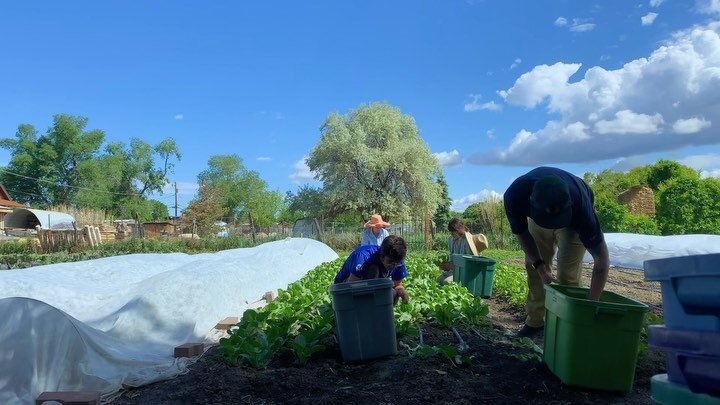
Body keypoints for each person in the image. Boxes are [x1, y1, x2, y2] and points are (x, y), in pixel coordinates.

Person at [504, 167, 610, 338]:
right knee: (533, 268)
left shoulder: (582, 210)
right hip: (538, 213)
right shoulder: (515, 195)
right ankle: (535, 322)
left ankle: (567, 327)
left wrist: (592, 306)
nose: (553, 225)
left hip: (571, 221)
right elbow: (523, 235)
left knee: (567, 276)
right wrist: (540, 267)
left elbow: (602, 260)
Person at [334, 235, 409, 305]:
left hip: (369, 286)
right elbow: (351, 285)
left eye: (397, 263)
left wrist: (401, 292)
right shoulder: (363, 256)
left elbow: (397, 284)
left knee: (393, 294)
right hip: (344, 285)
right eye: (390, 262)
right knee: (373, 269)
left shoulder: (397, 261)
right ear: (382, 255)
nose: (394, 266)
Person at [437, 217, 489, 284]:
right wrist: (447, 265)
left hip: (466, 273)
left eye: (453, 232)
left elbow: (470, 266)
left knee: (446, 282)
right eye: (451, 232)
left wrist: (452, 267)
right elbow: (452, 257)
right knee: (438, 280)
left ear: (458, 230)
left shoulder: (467, 243)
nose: (451, 234)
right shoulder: (451, 239)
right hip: (454, 271)